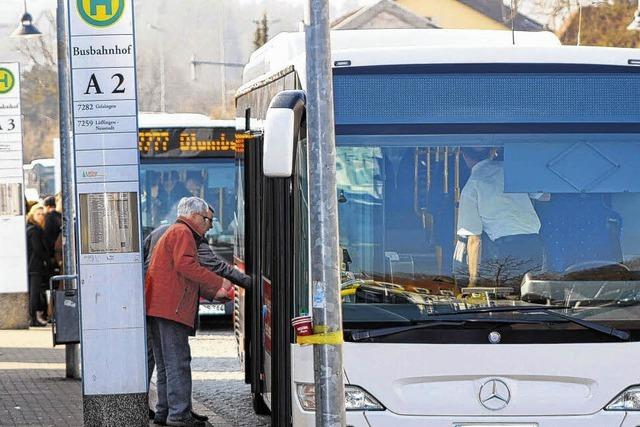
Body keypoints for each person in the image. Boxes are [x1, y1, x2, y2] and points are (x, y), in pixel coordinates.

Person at [143, 204, 251, 422]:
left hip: (157, 306)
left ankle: (165, 411)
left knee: (165, 364)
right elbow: (187, 267)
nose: (210, 226)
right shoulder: (183, 233)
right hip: (171, 308)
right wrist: (218, 283)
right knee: (178, 363)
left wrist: (212, 292)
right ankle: (179, 415)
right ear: (193, 216)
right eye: (207, 220)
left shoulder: (171, 231)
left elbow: (180, 274)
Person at [455, 147, 543, 287]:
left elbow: (474, 239)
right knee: (534, 292)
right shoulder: (512, 171)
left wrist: (473, 282)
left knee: (509, 296)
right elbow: (545, 195)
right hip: (535, 245)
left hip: (506, 251)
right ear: (491, 152)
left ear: (464, 156)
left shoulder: (472, 187)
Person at [26, 203, 49, 326]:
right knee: (34, 294)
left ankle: (33, 318)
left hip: (31, 265)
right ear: (32, 215)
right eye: (38, 214)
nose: (40, 217)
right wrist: (46, 260)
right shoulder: (35, 230)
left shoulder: (30, 228)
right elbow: (37, 249)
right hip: (35, 266)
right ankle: (33, 319)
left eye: (42, 214)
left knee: (34, 293)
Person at [42, 195, 62, 278]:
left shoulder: (48, 218)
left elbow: (47, 237)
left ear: (47, 206)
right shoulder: (60, 216)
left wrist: (49, 255)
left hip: (53, 253)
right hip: (60, 253)